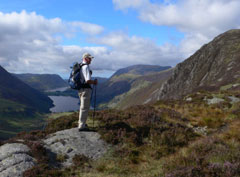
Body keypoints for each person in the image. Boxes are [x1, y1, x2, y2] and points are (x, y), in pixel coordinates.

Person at [78, 53, 98, 131]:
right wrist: (94, 82)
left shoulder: (80, 66)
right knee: (85, 108)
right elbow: (88, 80)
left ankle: (81, 123)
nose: (91, 60)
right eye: (90, 59)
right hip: (85, 90)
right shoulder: (86, 67)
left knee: (82, 107)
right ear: (85, 58)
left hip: (80, 89)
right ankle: (82, 126)